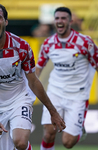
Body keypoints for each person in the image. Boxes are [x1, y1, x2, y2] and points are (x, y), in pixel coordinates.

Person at [0, 3, 65, 150]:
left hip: (19, 99)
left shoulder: (22, 46)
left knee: (20, 142)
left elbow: (33, 81)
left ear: (6, 22)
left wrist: (53, 112)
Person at [35, 7, 98, 150]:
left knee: (68, 143)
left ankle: (79, 131)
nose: (60, 21)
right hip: (55, 92)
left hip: (78, 95)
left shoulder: (85, 42)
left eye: (63, 18)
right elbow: (38, 67)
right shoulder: (48, 43)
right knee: (49, 133)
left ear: (70, 21)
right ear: (54, 22)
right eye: (57, 18)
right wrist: (29, 89)